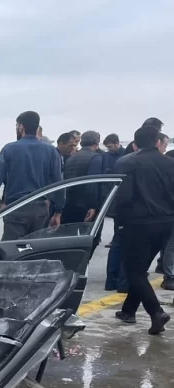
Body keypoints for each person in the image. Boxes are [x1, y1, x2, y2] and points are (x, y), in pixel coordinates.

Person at [113, 125, 174, 334]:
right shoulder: (170, 164)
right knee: (140, 269)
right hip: (166, 224)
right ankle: (128, 310)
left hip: (137, 224)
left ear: (134, 144)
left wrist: (119, 224)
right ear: (157, 142)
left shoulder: (126, 162)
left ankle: (156, 312)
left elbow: (122, 198)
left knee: (134, 271)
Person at [0, 111, 64, 239]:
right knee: (34, 250)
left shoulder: (9, 149)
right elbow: (59, 183)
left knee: (12, 250)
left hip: (17, 208)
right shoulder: (50, 151)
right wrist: (58, 212)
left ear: (21, 127)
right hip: (41, 210)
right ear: (36, 127)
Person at [61, 131, 104, 225]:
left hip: (69, 203)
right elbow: (92, 183)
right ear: (96, 143)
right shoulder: (95, 157)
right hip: (84, 205)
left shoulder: (71, 158)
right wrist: (93, 206)